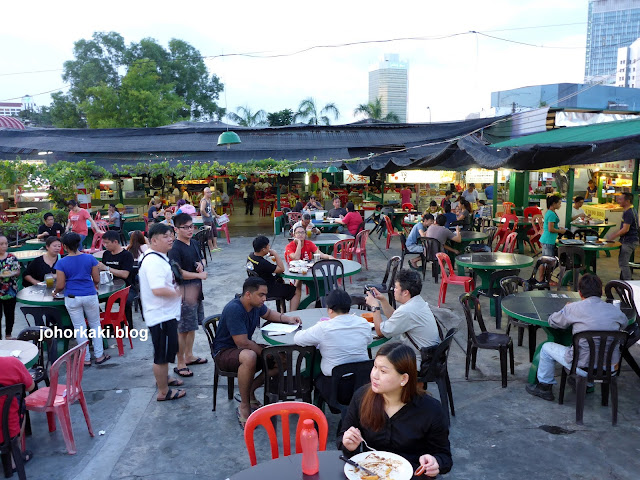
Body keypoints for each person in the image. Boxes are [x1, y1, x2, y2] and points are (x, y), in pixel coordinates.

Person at [338, 343, 452, 476]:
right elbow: (343, 437)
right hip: (370, 472)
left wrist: (435, 462)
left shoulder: (430, 409)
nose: (374, 375)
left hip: (413, 475)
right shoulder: (362, 397)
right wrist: (348, 445)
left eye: (383, 371)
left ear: (404, 378)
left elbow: (444, 456)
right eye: (374, 366)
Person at [213, 277, 301, 426]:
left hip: (243, 349)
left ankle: (249, 391)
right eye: (261, 295)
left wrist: (287, 319)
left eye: (265, 295)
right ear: (248, 294)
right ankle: (244, 406)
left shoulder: (255, 305)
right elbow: (242, 343)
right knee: (250, 356)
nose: (264, 299)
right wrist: (264, 354)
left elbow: (269, 314)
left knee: (283, 357)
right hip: (224, 352)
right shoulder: (235, 309)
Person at [526, 274, 627, 401]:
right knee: (589, 347)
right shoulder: (615, 310)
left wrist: (566, 309)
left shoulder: (573, 308)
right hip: (610, 367)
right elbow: (624, 324)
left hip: (581, 367)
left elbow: (553, 321)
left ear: (580, 293)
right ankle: (587, 384)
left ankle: (544, 387)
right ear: (601, 292)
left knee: (546, 348)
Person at [294, 289, 371, 400]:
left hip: (336, 388)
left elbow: (298, 338)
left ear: (330, 310)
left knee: (316, 375)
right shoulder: (363, 323)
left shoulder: (324, 327)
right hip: (362, 384)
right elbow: (368, 341)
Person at [138, 222, 186, 401]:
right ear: (154, 240)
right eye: (165, 236)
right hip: (161, 316)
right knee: (161, 356)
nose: (170, 239)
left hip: (165, 314)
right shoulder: (153, 262)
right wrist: (180, 293)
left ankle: (164, 378)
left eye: (171, 235)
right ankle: (164, 391)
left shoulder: (157, 256)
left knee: (165, 352)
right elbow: (158, 289)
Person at [53, 233, 110, 366]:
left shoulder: (61, 262)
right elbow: (96, 279)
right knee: (95, 325)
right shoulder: (90, 258)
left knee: (79, 328)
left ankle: (85, 358)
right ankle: (99, 355)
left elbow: (60, 285)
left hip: (72, 298)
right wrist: (92, 284)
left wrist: (54, 292)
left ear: (64, 246)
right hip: (89, 295)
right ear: (79, 243)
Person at [365, 269, 440, 360]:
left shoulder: (407, 311)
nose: (393, 290)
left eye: (396, 287)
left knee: (381, 359)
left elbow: (381, 332)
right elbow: (395, 318)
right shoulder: (418, 302)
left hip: (418, 360)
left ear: (405, 292)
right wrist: (383, 300)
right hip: (430, 356)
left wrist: (375, 307)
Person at [168, 213, 208, 378]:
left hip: (196, 292)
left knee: (192, 327)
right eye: (185, 227)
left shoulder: (194, 243)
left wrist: (200, 265)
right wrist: (199, 275)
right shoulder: (174, 249)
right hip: (183, 294)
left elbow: (202, 259)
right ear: (176, 229)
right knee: (182, 330)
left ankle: (189, 355)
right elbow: (179, 273)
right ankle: (180, 363)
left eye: (191, 226)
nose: (190, 230)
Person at [247, 235, 301, 310]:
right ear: (263, 249)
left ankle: (281, 310)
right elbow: (281, 269)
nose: (269, 247)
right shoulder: (262, 263)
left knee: (280, 280)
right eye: (268, 246)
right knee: (296, 291)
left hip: (256, 286)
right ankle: (292, 314)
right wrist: (275, 254)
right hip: (267, 289)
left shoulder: (251, 256)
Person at [0, 355, 35, 465]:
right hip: (8, 428)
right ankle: (13, 460)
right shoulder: (12, 363)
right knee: (20, 404)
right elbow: (30, 387)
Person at [98, 230, 135, 328]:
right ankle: (106, 323)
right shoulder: (106, 254)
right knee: (91, 301)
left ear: (115, 242)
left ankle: (128, 325)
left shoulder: (127, 255)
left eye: (107, 243)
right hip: (108, 287)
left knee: (126, 302)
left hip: (126, 287)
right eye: (104, 243)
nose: (105, 245)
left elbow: (125, 274)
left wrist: (107, 268)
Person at [607, 192, 639, 280]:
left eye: (620, 199)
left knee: (623, 263)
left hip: (629, 241)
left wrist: (613, 236)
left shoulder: (629, 212)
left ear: (627, 201)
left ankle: (628, 283)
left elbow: (625, 229)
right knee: (623, 262)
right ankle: (625, 280)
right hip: (630, 240)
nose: (618, 201)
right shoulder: (630, 210)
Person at [0, 235, 20, 339]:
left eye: (6, 243)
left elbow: (17, 272)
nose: (4, 246)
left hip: (10, 290)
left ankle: (8, 335)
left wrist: (14, 273)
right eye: (1, 244)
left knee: (10, 314)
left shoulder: (12, 257)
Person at [199, 187, 220, 252]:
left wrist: (216, 215)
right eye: (208, 192)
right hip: (206, 220)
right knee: (209, 234)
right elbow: (202, 209)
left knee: (214, 232)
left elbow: (211, 208)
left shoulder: (209, 200)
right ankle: (211, 248)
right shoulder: (204, 201)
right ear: (205, 193)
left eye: (210, 192)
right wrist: (206, 214)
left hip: (211, 219)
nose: (210, 193)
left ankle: (215, 246)